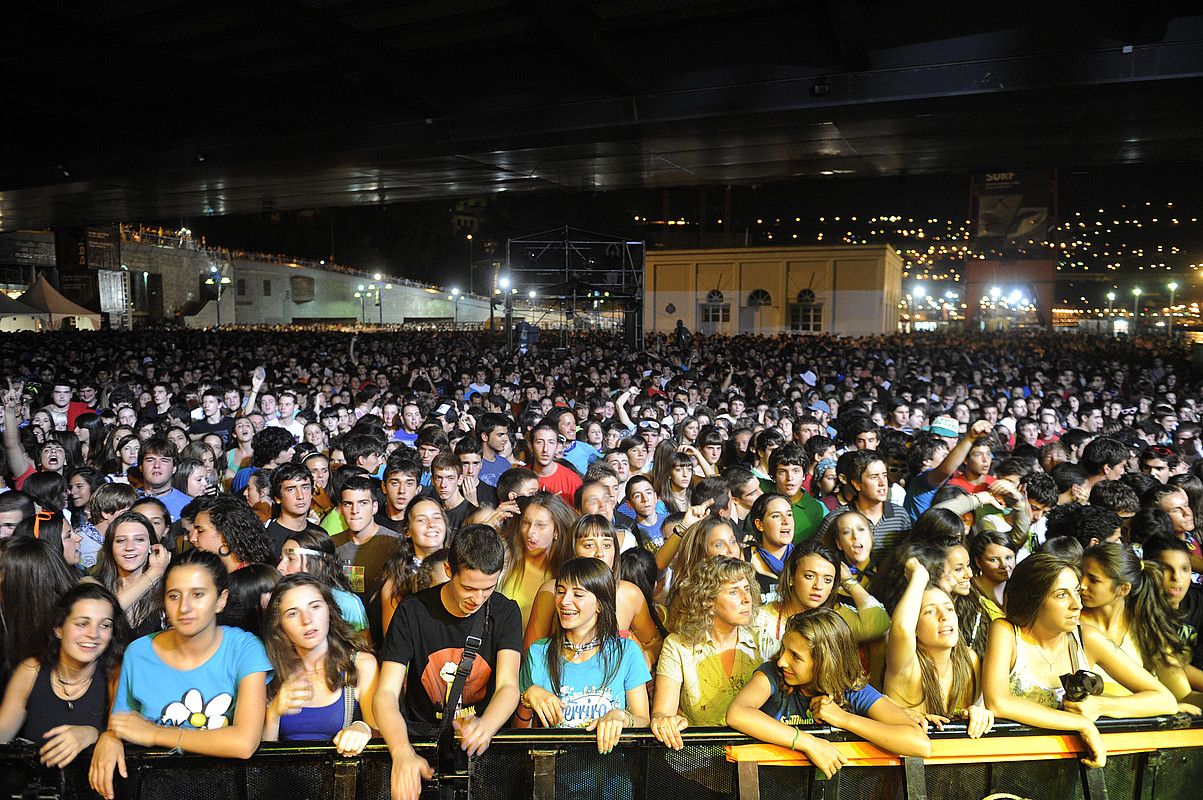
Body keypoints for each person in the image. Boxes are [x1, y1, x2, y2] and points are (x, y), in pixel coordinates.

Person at [89, 549, 272, 800]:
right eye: (174, 596)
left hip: (223, 790)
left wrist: (155, 734)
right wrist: (109, 738)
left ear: (221, 599)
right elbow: (122, 724)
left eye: (198, 594)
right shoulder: (139, 652)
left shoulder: (245, 649)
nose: (184, 607)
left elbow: (243, 743)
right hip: (156, 790)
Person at [981, 554, 1178, 768]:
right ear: (1034, 598)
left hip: (1069, 767)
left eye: (1076, 591)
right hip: (1010, 764)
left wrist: (1101, 705)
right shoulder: (1006, 632)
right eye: (1061, 595)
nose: (1077, 604)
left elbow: (1165, 700)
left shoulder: (1087, 639)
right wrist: (1082, 724)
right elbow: (998, 702)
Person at [373, 525, 522, 800]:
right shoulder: (412, 612)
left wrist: (487, 725)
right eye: (468, 587)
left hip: (480, 749)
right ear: (449, 570)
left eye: (488, 588)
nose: (477, 599)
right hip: (422, 739)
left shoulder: (505, 611)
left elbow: (508, 686)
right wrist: (402, 752)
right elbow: (386, 692)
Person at [726, 607, 930, 778]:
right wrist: (808, 743)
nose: (782, 661)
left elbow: (919, 744)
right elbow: (738, 713)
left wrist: (843, 719)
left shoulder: (851, 690)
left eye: (795, 657)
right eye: (784, 649)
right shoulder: (773, 673)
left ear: (825, 663)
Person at [518, 557, 651, 753]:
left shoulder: (626, 652)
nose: (564, 601)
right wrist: (528, 695)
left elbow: (643, 721)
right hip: (555, 778)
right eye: (561, 592)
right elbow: (519, 732)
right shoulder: (539, 653)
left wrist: (621, 717)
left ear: (599, 604)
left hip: (613, 777)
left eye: (577, 594)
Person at [0, 583, 131, 767]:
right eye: (82, 623)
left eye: (105, 625)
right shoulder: (31, 671)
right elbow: (2, 737)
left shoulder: (116, 675)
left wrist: (92, 733)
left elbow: (126, 742)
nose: (93, 634)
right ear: (58, 629)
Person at [653, 557, 777, 745]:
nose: (747, 599)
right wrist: (666, 721)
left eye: (747, 589)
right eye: (734, 592)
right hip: (696, 757)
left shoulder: (761, 640)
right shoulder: (678, 645)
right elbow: (662, 712)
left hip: (753, 755)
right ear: (707, 601)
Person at [261, 574, 378, 755]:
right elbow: (259, 763)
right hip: (284, 778)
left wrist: (363, 728)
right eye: (293, 613)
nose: (307, 620)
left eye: (315, 607)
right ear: (279, 624)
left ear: (329, 610)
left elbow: (380, 735)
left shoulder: (360, 664)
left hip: (339, 778)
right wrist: (273, 714)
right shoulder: (268, 667)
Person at [523, 515, 663, 661]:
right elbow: (531, 653)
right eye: (589, 545)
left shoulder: (629, 593)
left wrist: (645, 660)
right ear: (572, 549)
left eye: (607, 545)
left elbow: (654, 642)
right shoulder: (551, 592)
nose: (600, 553)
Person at [1079, 542, 1199, 710]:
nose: (1082, 585)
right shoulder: (1071, 624)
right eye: (1081, 575)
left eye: (1093, 580)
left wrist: (1168, 705)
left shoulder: (1144, 626)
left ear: (1123, 589)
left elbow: (1182, 694)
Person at [884, 558, 994, 737]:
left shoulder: (969, 661)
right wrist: (919, 576)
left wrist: (978, 713)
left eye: (949, 609)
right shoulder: (907, 666)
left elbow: (972, 721)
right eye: (930, 611)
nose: (944, 617)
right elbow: (902, 628)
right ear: (915, 627)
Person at [500, 491, 578, 627]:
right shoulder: (506, 557)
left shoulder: (566, 570)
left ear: (556, 532)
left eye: (540, 525)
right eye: (526, 523)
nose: (530, 532)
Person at [277, 527, 369, 634]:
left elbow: (362, 645)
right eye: (281, 559)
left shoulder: (346, 603)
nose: (280, 567)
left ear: (318, 563)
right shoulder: (281, 600)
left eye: (291, 559)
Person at [95, 510, 171, 637]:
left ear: (151, 546)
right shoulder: (92, 584)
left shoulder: (167, 590)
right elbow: (104, 614)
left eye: (139, 539)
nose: (130, 547)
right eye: (120, 540)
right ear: (110, 547)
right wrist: (155, 573)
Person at [189, 496, 275, 574]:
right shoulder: (209, 571)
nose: (192, 538)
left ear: (225, 535)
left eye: (200, 531)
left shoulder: (251, 579)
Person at [265, 463, 325, 559]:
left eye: (305, 487)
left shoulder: (320, 534)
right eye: (291, 489)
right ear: (277, 498)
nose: (300, 496)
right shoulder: (267, 538)